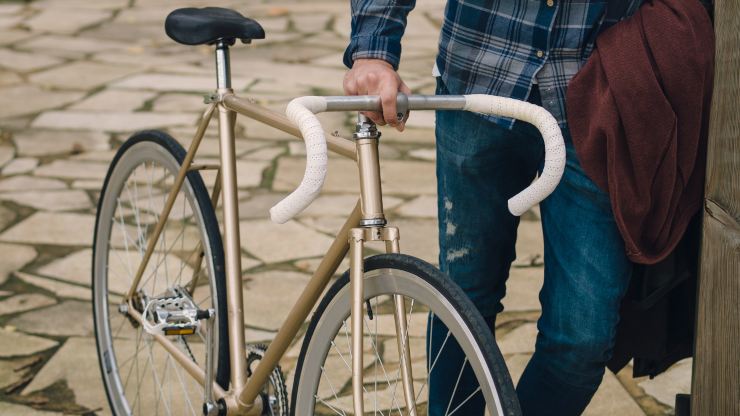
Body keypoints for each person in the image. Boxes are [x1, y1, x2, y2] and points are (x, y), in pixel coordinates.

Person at [342, 1, 643, 415]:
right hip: (481, 76)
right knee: (465, 301)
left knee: (582, 337)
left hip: (598, 96)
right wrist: (374, 48)